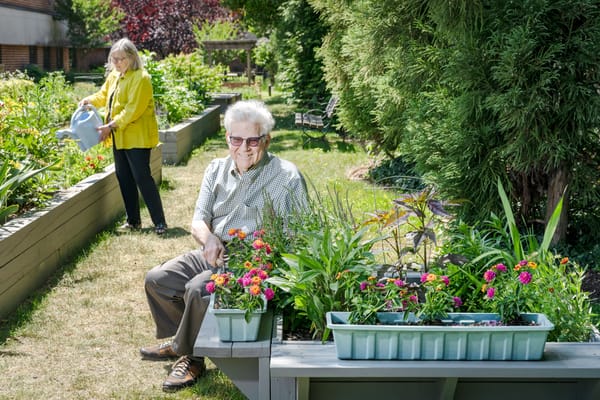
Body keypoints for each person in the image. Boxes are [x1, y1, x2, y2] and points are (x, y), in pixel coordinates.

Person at [141, 100, 309, 392]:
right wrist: (209, 239)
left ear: (266, 140)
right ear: (227, 138)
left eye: (253, 140)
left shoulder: (286, 177)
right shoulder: (216, 169)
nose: (243, 147)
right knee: (158, 280)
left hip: (255, 258)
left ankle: (190, 357)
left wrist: (262, 253)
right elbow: (198, 220)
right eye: (236, 139)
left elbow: (298, 234)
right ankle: (182, 339)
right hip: (214, 248)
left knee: (197, 289)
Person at [80, 38, 167, 235]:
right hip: (120, 137)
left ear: (132, 57)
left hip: (137, 137)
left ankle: (160, 222)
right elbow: (103, 96)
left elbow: (132, 110)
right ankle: (133, 221)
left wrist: (109, 126)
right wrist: (88, 100)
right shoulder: (114, 76)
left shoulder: (141, 78)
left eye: (121, 59)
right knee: (124, 178)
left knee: (142, 178)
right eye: (114, 59)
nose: (117, 63)